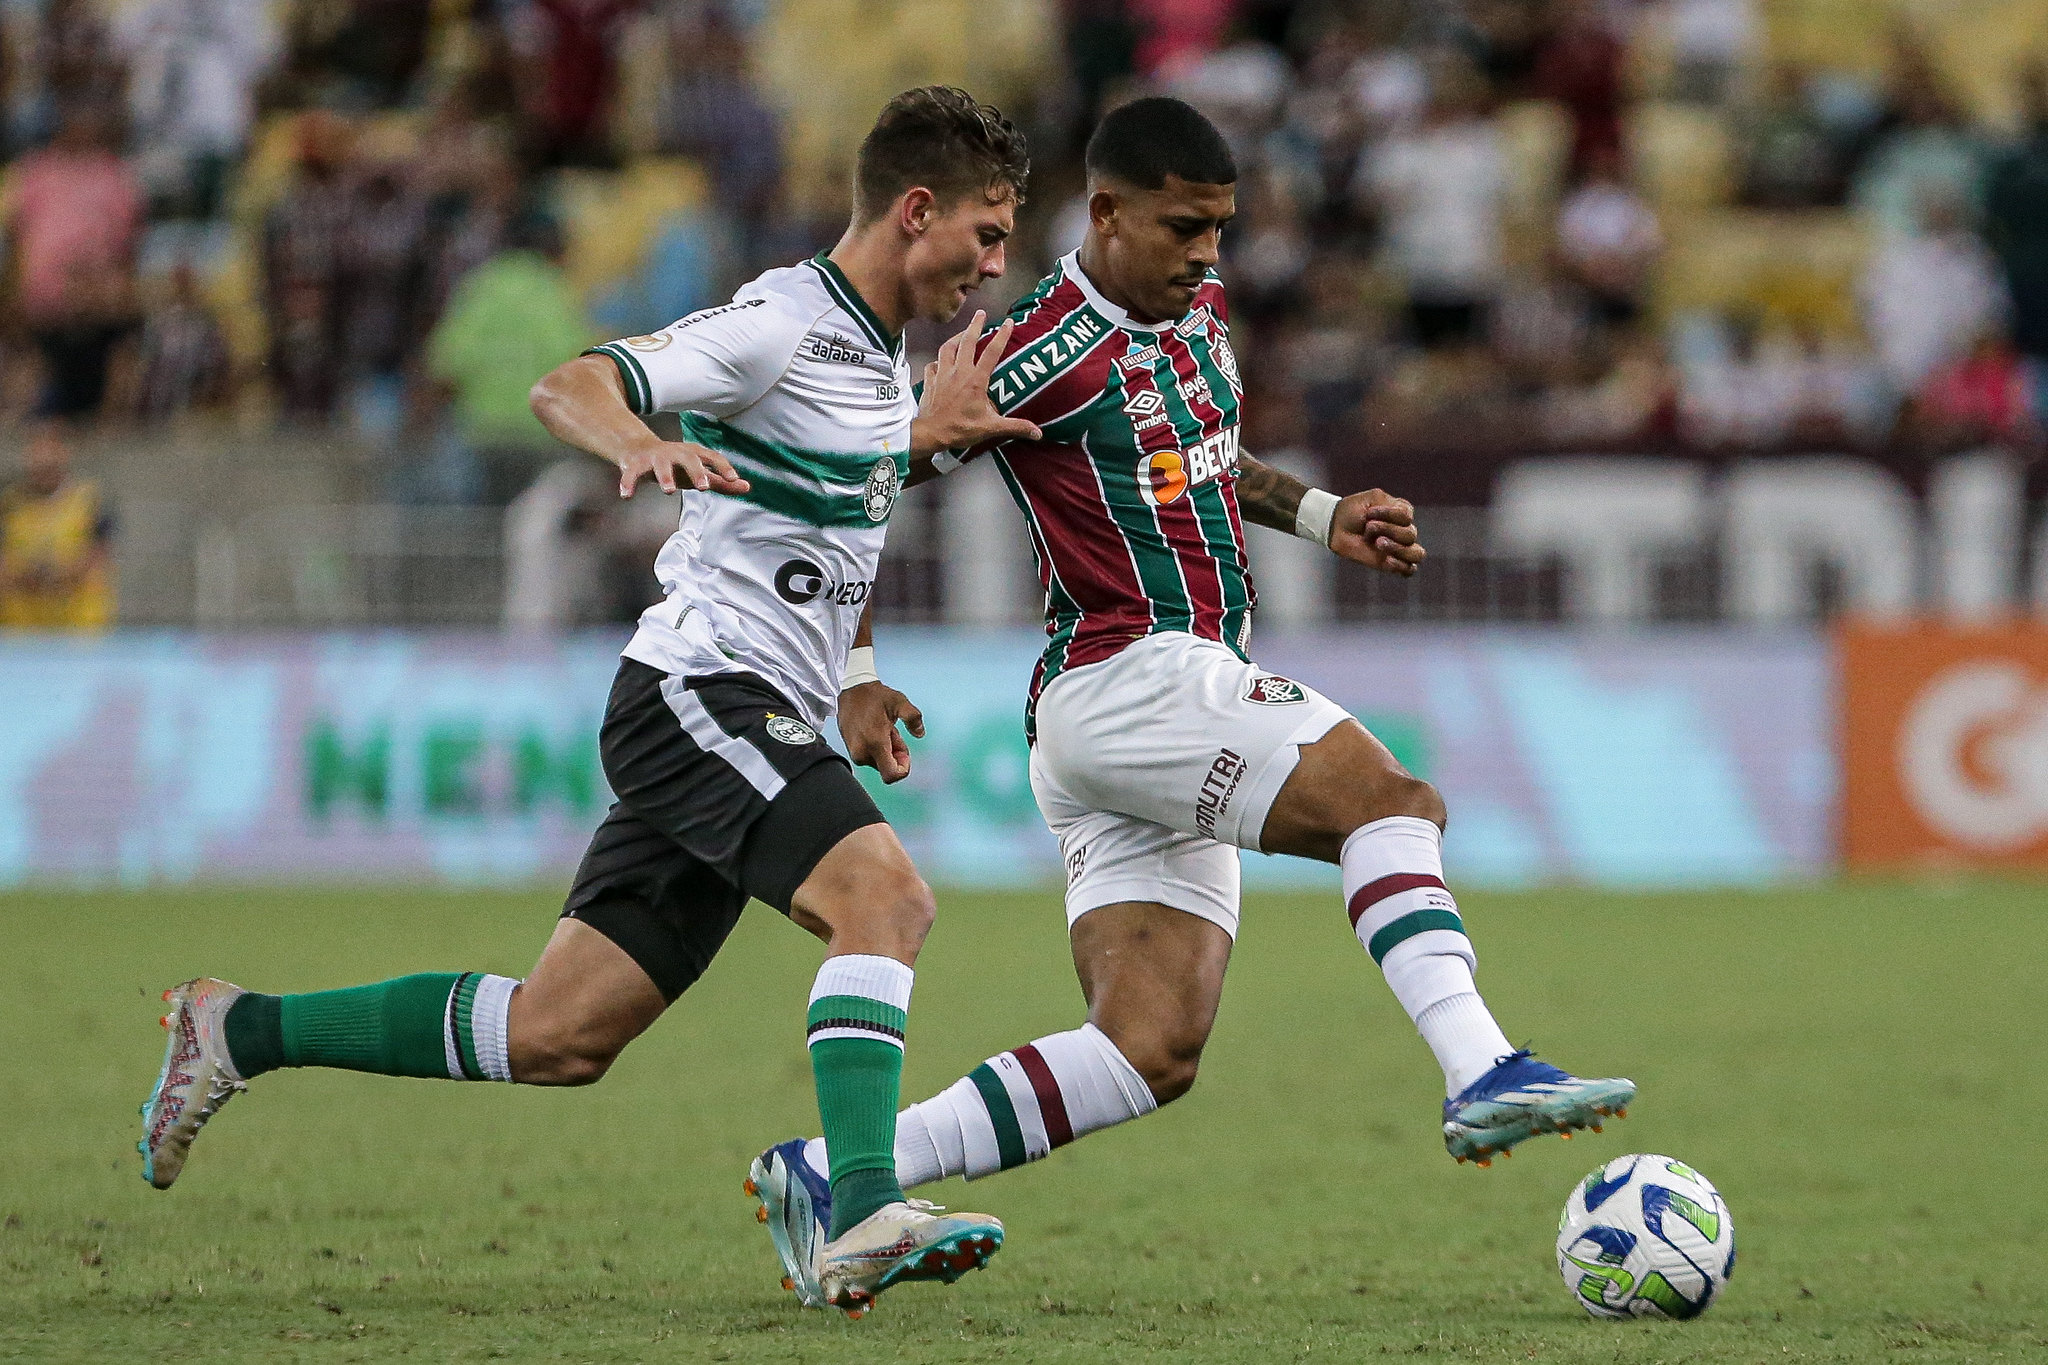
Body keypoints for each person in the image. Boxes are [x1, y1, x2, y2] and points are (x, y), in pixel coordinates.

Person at [137, 86, 1041, 1318]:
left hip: (754, 708)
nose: (993, 264)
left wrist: (858, 676)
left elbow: (835, 526)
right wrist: (629, 440)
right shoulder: (780, 321)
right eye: (984, 236)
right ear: (915, 211)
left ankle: (237, 1029)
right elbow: (570, 381)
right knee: (885, 898)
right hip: (697, 692)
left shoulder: (885, 367)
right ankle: (857, 1203)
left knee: (560, 1035)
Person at [752, 98, 1636, 1296]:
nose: (1208, 253)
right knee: (1389, 799)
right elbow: (857, 484)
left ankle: (831, 1168)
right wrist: (850, 673)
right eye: (1183, 228)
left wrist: (1321, 516)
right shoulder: (1030, 349)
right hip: (1133, 674)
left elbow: (1208, 460)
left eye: (1219, 227)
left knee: (1150, 1047)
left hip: (1129, 710)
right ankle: (1480, 1069)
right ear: (1106, 214)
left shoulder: (1196, 307)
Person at [0, 420, 114, 629]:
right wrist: (27, 577)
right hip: (21, 627)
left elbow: (98, 555)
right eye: (37, 450)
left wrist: (60, 577)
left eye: (51, 449)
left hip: (79, 626)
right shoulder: (8, 504)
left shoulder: (91, 500)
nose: (44, 458)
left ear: (65, 453)